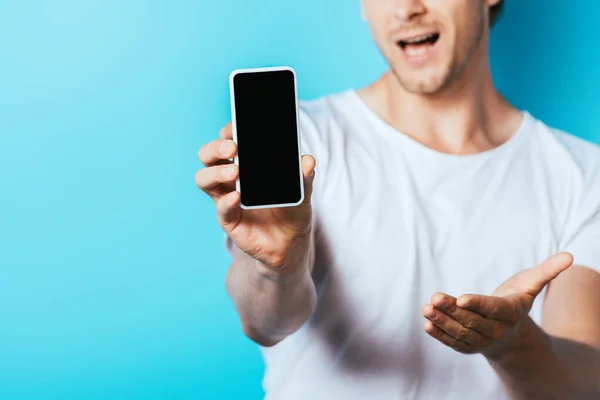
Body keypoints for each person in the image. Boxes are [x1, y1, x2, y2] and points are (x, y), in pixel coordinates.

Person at [196, 0, 600, 398]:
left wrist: (512, 343)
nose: (405, 9)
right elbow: (265, 324)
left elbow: (580, 385)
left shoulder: (583, 174)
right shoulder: (301, 144)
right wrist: (277, 269)